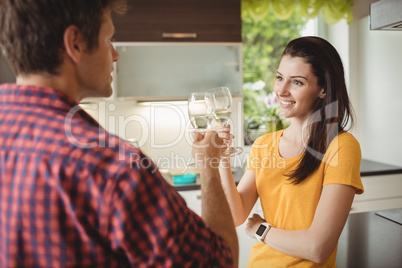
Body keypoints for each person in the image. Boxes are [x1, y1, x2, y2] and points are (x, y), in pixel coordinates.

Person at [0, 0, 238, 267]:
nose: (115, 54)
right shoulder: (114, 168)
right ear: (75, 43)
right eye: (108, 38)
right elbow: (220, 261)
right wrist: (209, 163)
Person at [218, 36, 364, 267]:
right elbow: (236, 215)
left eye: (296, 82)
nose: (281, 90)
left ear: (323, 89)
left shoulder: (340, 146)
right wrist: (221, 159)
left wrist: (261, 230)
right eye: (279, 78)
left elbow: (317, 248)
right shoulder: (264, 144)